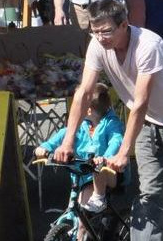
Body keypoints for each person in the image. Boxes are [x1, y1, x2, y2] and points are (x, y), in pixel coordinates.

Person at [52, 0, 163, 241]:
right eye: (95, 31)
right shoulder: (98, 45)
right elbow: (84, 93)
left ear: (124, 24)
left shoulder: (148, 44)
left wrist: (124, 151)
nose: (101, 37)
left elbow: (141, 101)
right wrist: (68, 140)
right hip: (148, 124)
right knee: (150, 195)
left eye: (106, 31)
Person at [36, 82, 123, 213]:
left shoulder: (112, 124)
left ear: (88, 110)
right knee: (77, 210)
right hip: (81, 175)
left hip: (107, 174)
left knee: (84, 212)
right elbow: (62, 135)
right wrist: (44, 148)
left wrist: (105, 157)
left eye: (77, 105)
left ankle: (99, 198)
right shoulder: (79, 126)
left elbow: (116, 141)